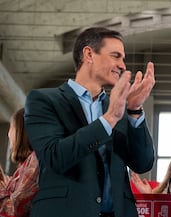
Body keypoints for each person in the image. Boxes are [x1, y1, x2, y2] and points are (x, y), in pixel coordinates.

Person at [24, 27, 155, 217]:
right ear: (89, 54)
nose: (123, 65)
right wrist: (108, 119)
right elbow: (54, 157)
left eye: (123, 58)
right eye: (116, 56)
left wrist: (134, 110)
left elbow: (143, 163)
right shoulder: (43, 100)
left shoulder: (117, 105)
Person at [0, 108, 39, 217]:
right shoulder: (27, 164)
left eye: (11, 128)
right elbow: (11, 191)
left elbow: (15, 209)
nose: (8, 134)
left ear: (21, 131)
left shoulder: (36, 159)